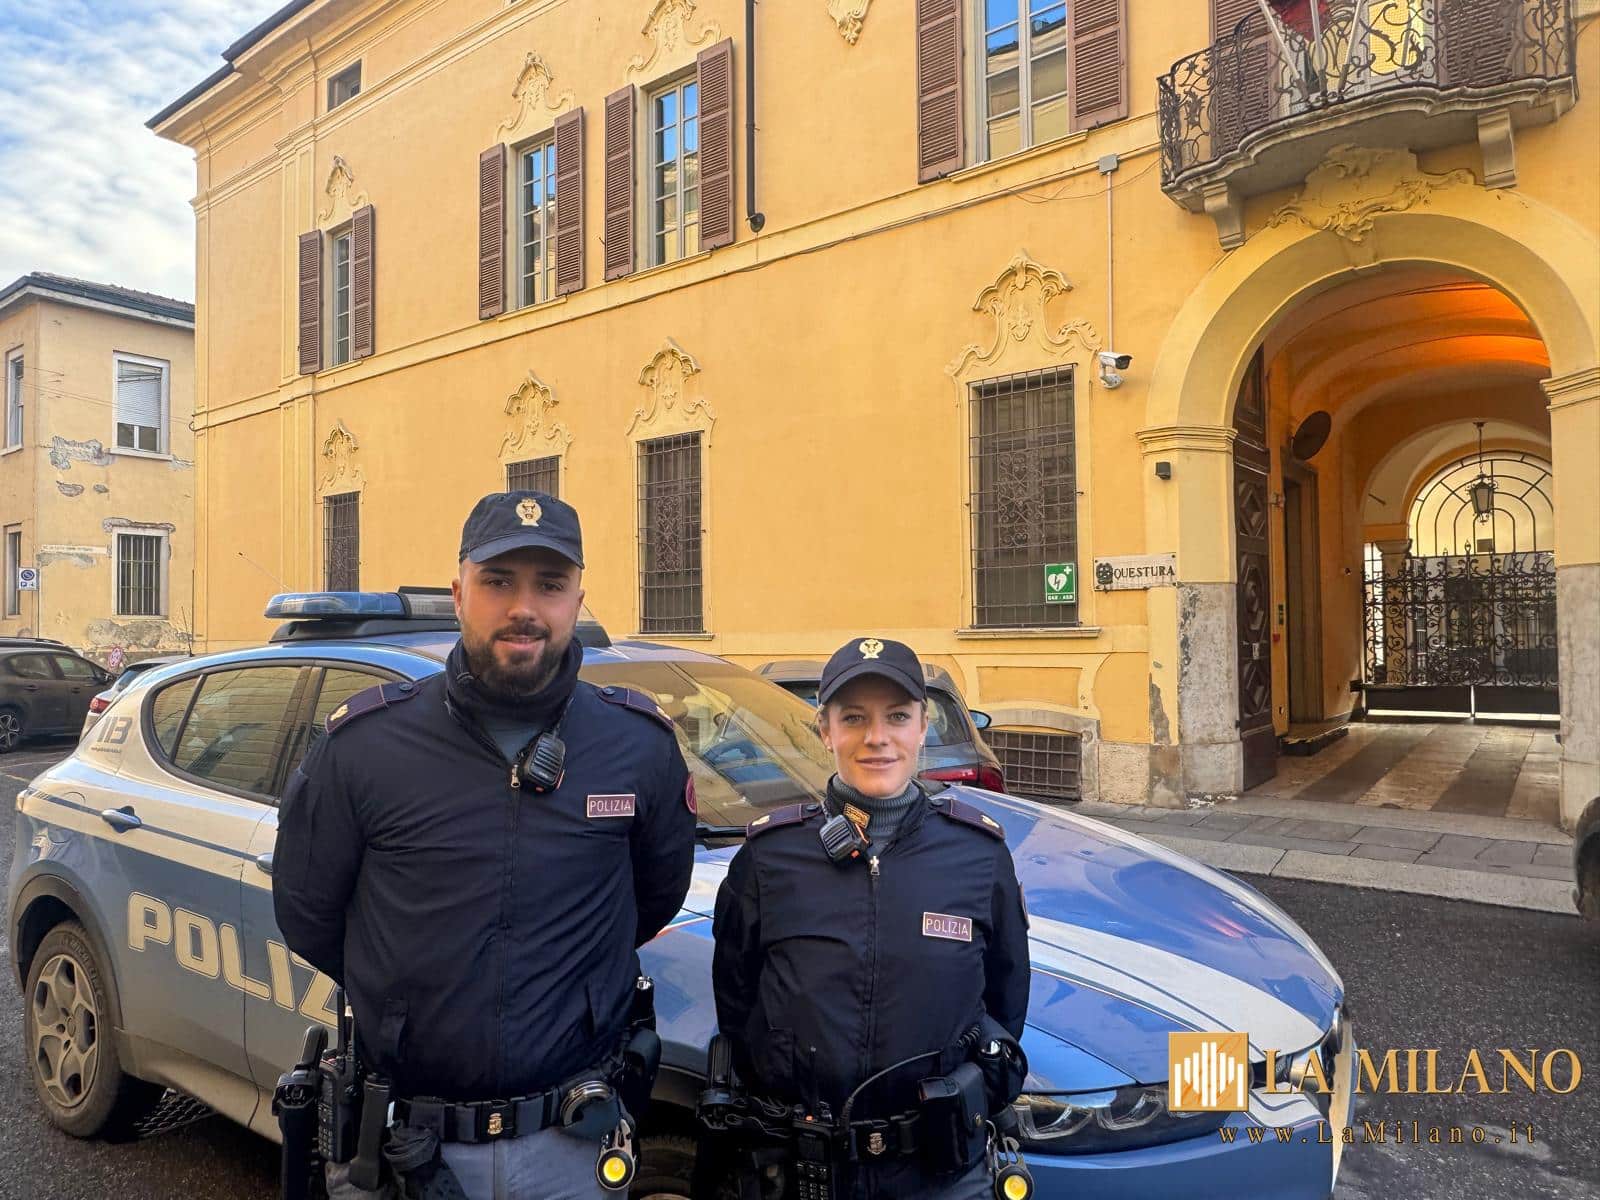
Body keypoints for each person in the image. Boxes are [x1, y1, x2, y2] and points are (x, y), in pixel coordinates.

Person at [273, 491, 696, 1200]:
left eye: (550, 585)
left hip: (571, 1146)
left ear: (577, 600)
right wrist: (408, 1006)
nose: (523, 607)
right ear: (459, 593)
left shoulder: (638, 748)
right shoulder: (366, 747)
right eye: (498, 581)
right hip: (405, 1144)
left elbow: (654, 897)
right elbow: (308, 913)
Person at [711, 637, 1031, 1199]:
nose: (877, 737)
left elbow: (1005, 1000)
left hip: (939, 1170)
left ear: (922, 725)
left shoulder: (978, 856)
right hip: (806, 1169)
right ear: (824, 729)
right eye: (853, 717)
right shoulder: (768, 858)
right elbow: (738, 1004)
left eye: (897, 717)